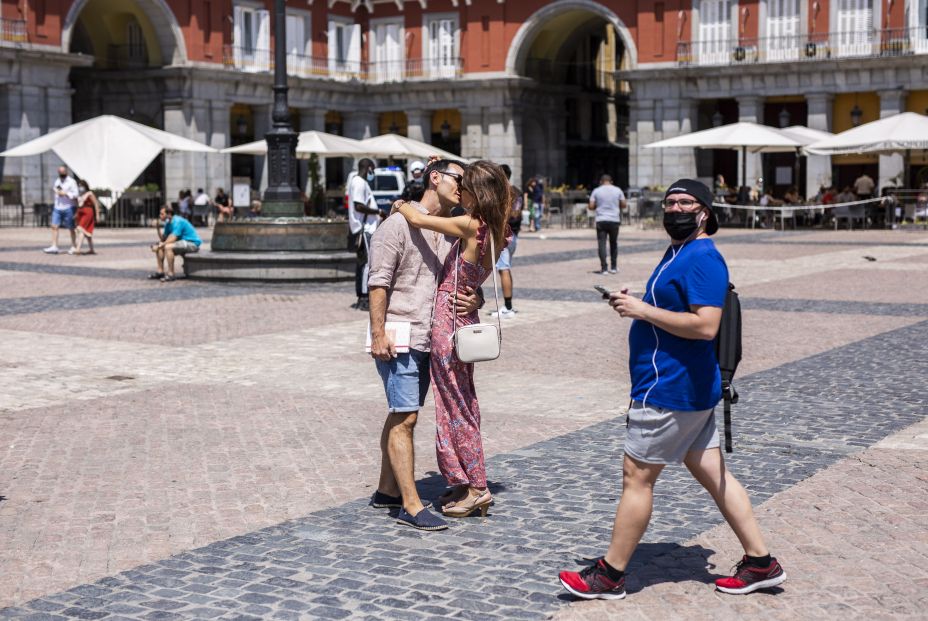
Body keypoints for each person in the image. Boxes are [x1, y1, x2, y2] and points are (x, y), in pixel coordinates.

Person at [558, 179, 786, 600]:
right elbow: (672, 307)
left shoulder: (702, 257)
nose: (675, 208)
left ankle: (610, 575)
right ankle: (761, 563)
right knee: (714, 475)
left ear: (705, 212)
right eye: (669, 202)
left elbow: (705, 326)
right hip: (686, 387)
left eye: (685, 202)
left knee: (637, 477)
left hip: (671, 388)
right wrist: (636, 302)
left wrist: (643, 310)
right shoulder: (678, 251)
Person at [367, 158, 482, 532]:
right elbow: (378, 282)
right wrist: (378, 332)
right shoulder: (396, 225)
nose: (463, 188)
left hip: (430, 337)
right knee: (407, 416)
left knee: (402, 411)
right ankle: (411, 505)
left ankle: (387, 489)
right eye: (459, 180)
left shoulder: (450, 229)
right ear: (435, 178)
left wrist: (475, 301)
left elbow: (460, 281)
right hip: (400, 335)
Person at [395, 160, 512, 520]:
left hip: (447, 320)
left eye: (466, 186)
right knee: (460, 402)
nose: (459, 190)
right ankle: (463, 479)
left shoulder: (468, 224)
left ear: (480, 192)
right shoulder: (498, 230)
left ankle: (477, 486)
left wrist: (402, 205)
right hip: (466, 317)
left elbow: (419, 220)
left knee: (456, 408)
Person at [348, 158, 381, 311]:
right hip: (365, 229)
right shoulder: (360, 183)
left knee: (363, 263)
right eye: (372, 169)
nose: (372, 173)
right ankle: (364, 297)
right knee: (367, 264)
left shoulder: (358, 182)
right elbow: (359, 206)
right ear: (368, 168)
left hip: (365, 228)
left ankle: (362, 296)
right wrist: (378, 211)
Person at [491, 163, 522, 318]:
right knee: (505, 269)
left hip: (502, 235)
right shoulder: (516, 191)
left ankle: (508, 307)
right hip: (514, 235)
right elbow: (517, 214)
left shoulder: (501, 193)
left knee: (503, 269)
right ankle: (508, 305)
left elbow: (511, 215)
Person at [149, 204, 201, 282]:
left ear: (169, 214)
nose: (160, 216)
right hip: (182, 243)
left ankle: (171, 274)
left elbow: (173, 238)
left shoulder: (177, 221)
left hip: (192, 243)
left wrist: (162, 245)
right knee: (160, 246)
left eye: (162, 214)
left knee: (167, 247)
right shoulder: (168, 223)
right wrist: (158, 228)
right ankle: (160, 272)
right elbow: (163, 239)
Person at [588, 174, 627, 275]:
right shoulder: (618, 190)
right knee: (613, 243)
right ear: (611, 181)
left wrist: (599, 205)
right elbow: (624, 204)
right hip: (614, 219)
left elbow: (591, 206)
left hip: (601, 219)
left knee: (602, 244)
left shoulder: (596, 191)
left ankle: (604, 268)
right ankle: (613, 267)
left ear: (601, 181)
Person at [44, 166, 79, 254]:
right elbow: (58, 189)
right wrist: (59, 192)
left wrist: (66, 194)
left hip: (69, 207)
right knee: (54, 226)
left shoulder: (71, 182)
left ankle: (74, 246)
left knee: (71, 228)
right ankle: (54, 246)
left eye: (63, 172)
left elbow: (76, 194)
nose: (61, 174)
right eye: (60, 172)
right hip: (58, 207)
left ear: (66, 172)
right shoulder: (58, 181)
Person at [72, 180, 100, 255]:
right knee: (86, 232)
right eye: (79, 185)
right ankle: (91, 249)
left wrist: (97, 215)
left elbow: (95, 204)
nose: (80, 187)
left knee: (81, 229)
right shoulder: (80, 195)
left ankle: (78, 249)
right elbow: (78, 205)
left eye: (81, 185)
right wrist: (76, 214)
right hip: (80, 213)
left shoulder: (89, 193)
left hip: (88, 212)